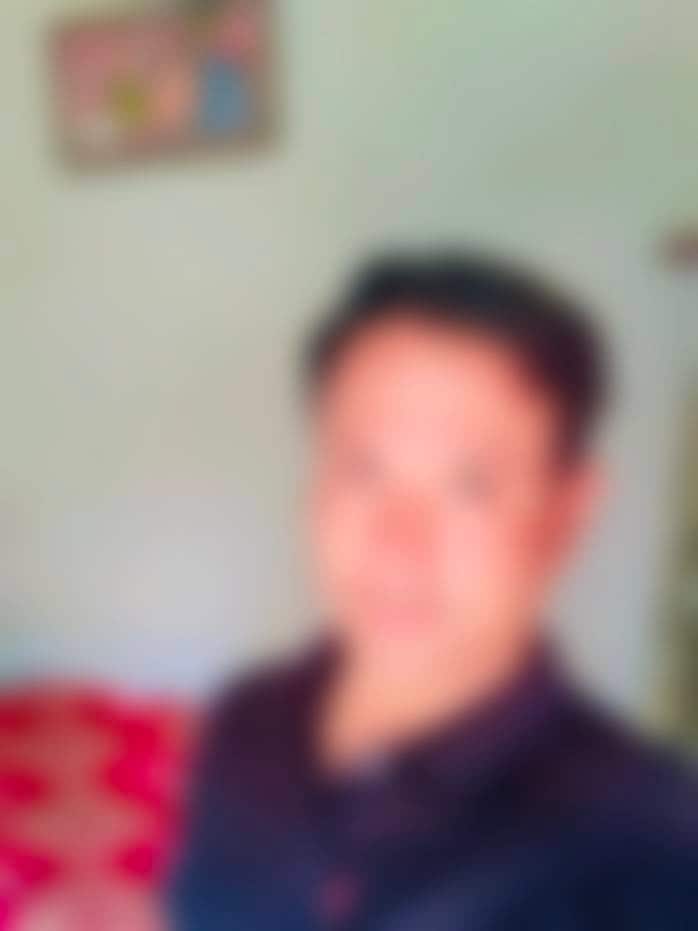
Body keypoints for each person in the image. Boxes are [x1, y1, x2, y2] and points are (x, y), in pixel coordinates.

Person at [170, 252, 698, 930]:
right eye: (363, 468)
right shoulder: (247, 723)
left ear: (565, 513)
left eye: (470, 486)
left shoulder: (646, 842)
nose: (399, 543)